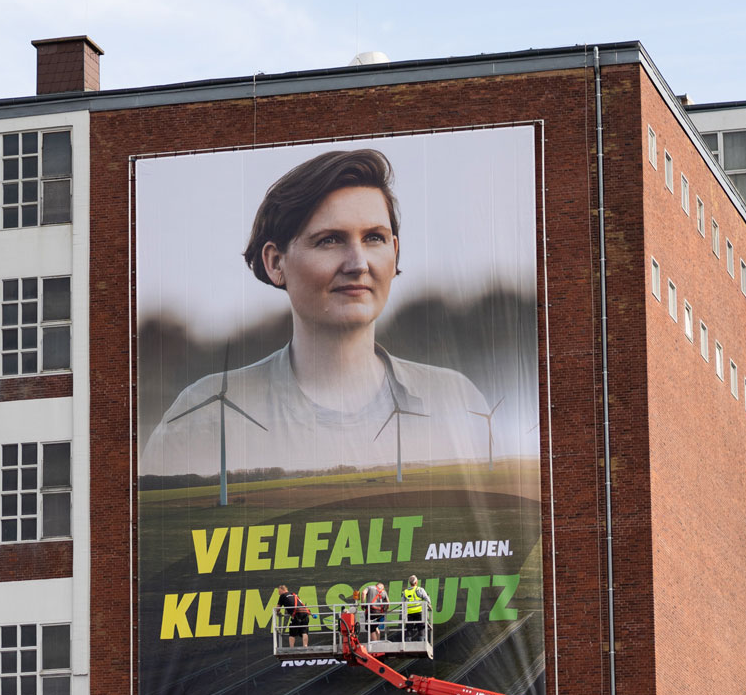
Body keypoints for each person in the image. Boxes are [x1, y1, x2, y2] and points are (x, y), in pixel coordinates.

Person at [141, 148, 492, 480]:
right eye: (329, 240)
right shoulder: (200, 421)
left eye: (374, 238)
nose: (358, 264)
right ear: (275, 262)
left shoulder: (459, 405)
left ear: (395, 252)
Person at [402, 574, 432, 643]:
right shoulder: (420, 589)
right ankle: (421, 641)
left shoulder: (405, 591)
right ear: (416, 582)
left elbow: (402, 602)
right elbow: (427, 600)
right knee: (421, 627)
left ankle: (408, 642)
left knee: (409, 627)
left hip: (409, 612)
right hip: (419, 611)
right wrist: (429, 605)